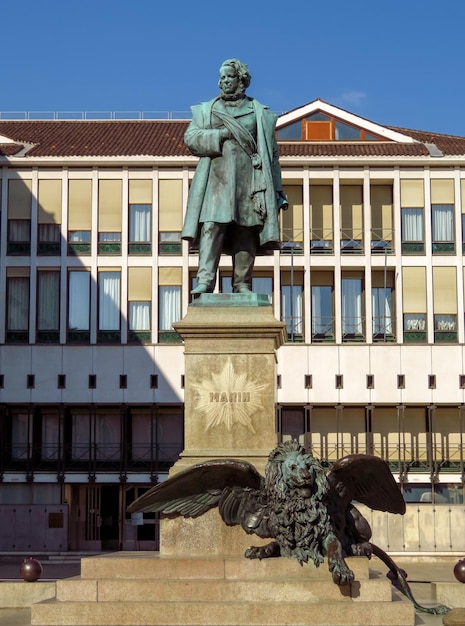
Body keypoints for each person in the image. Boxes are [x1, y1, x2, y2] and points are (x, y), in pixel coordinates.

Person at [181, 59, 287, 294]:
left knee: (245, 229)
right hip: (216, 180)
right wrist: (220, 134)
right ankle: (205, 281)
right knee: (211, 226)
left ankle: (242, 283)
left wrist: (278, 191)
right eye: (221, 77)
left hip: (249, 179)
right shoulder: (207, 109)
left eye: (229, 77)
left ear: (241, 80)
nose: (223, 81)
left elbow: (272, 156)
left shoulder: (259, 113)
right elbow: (191, 138)